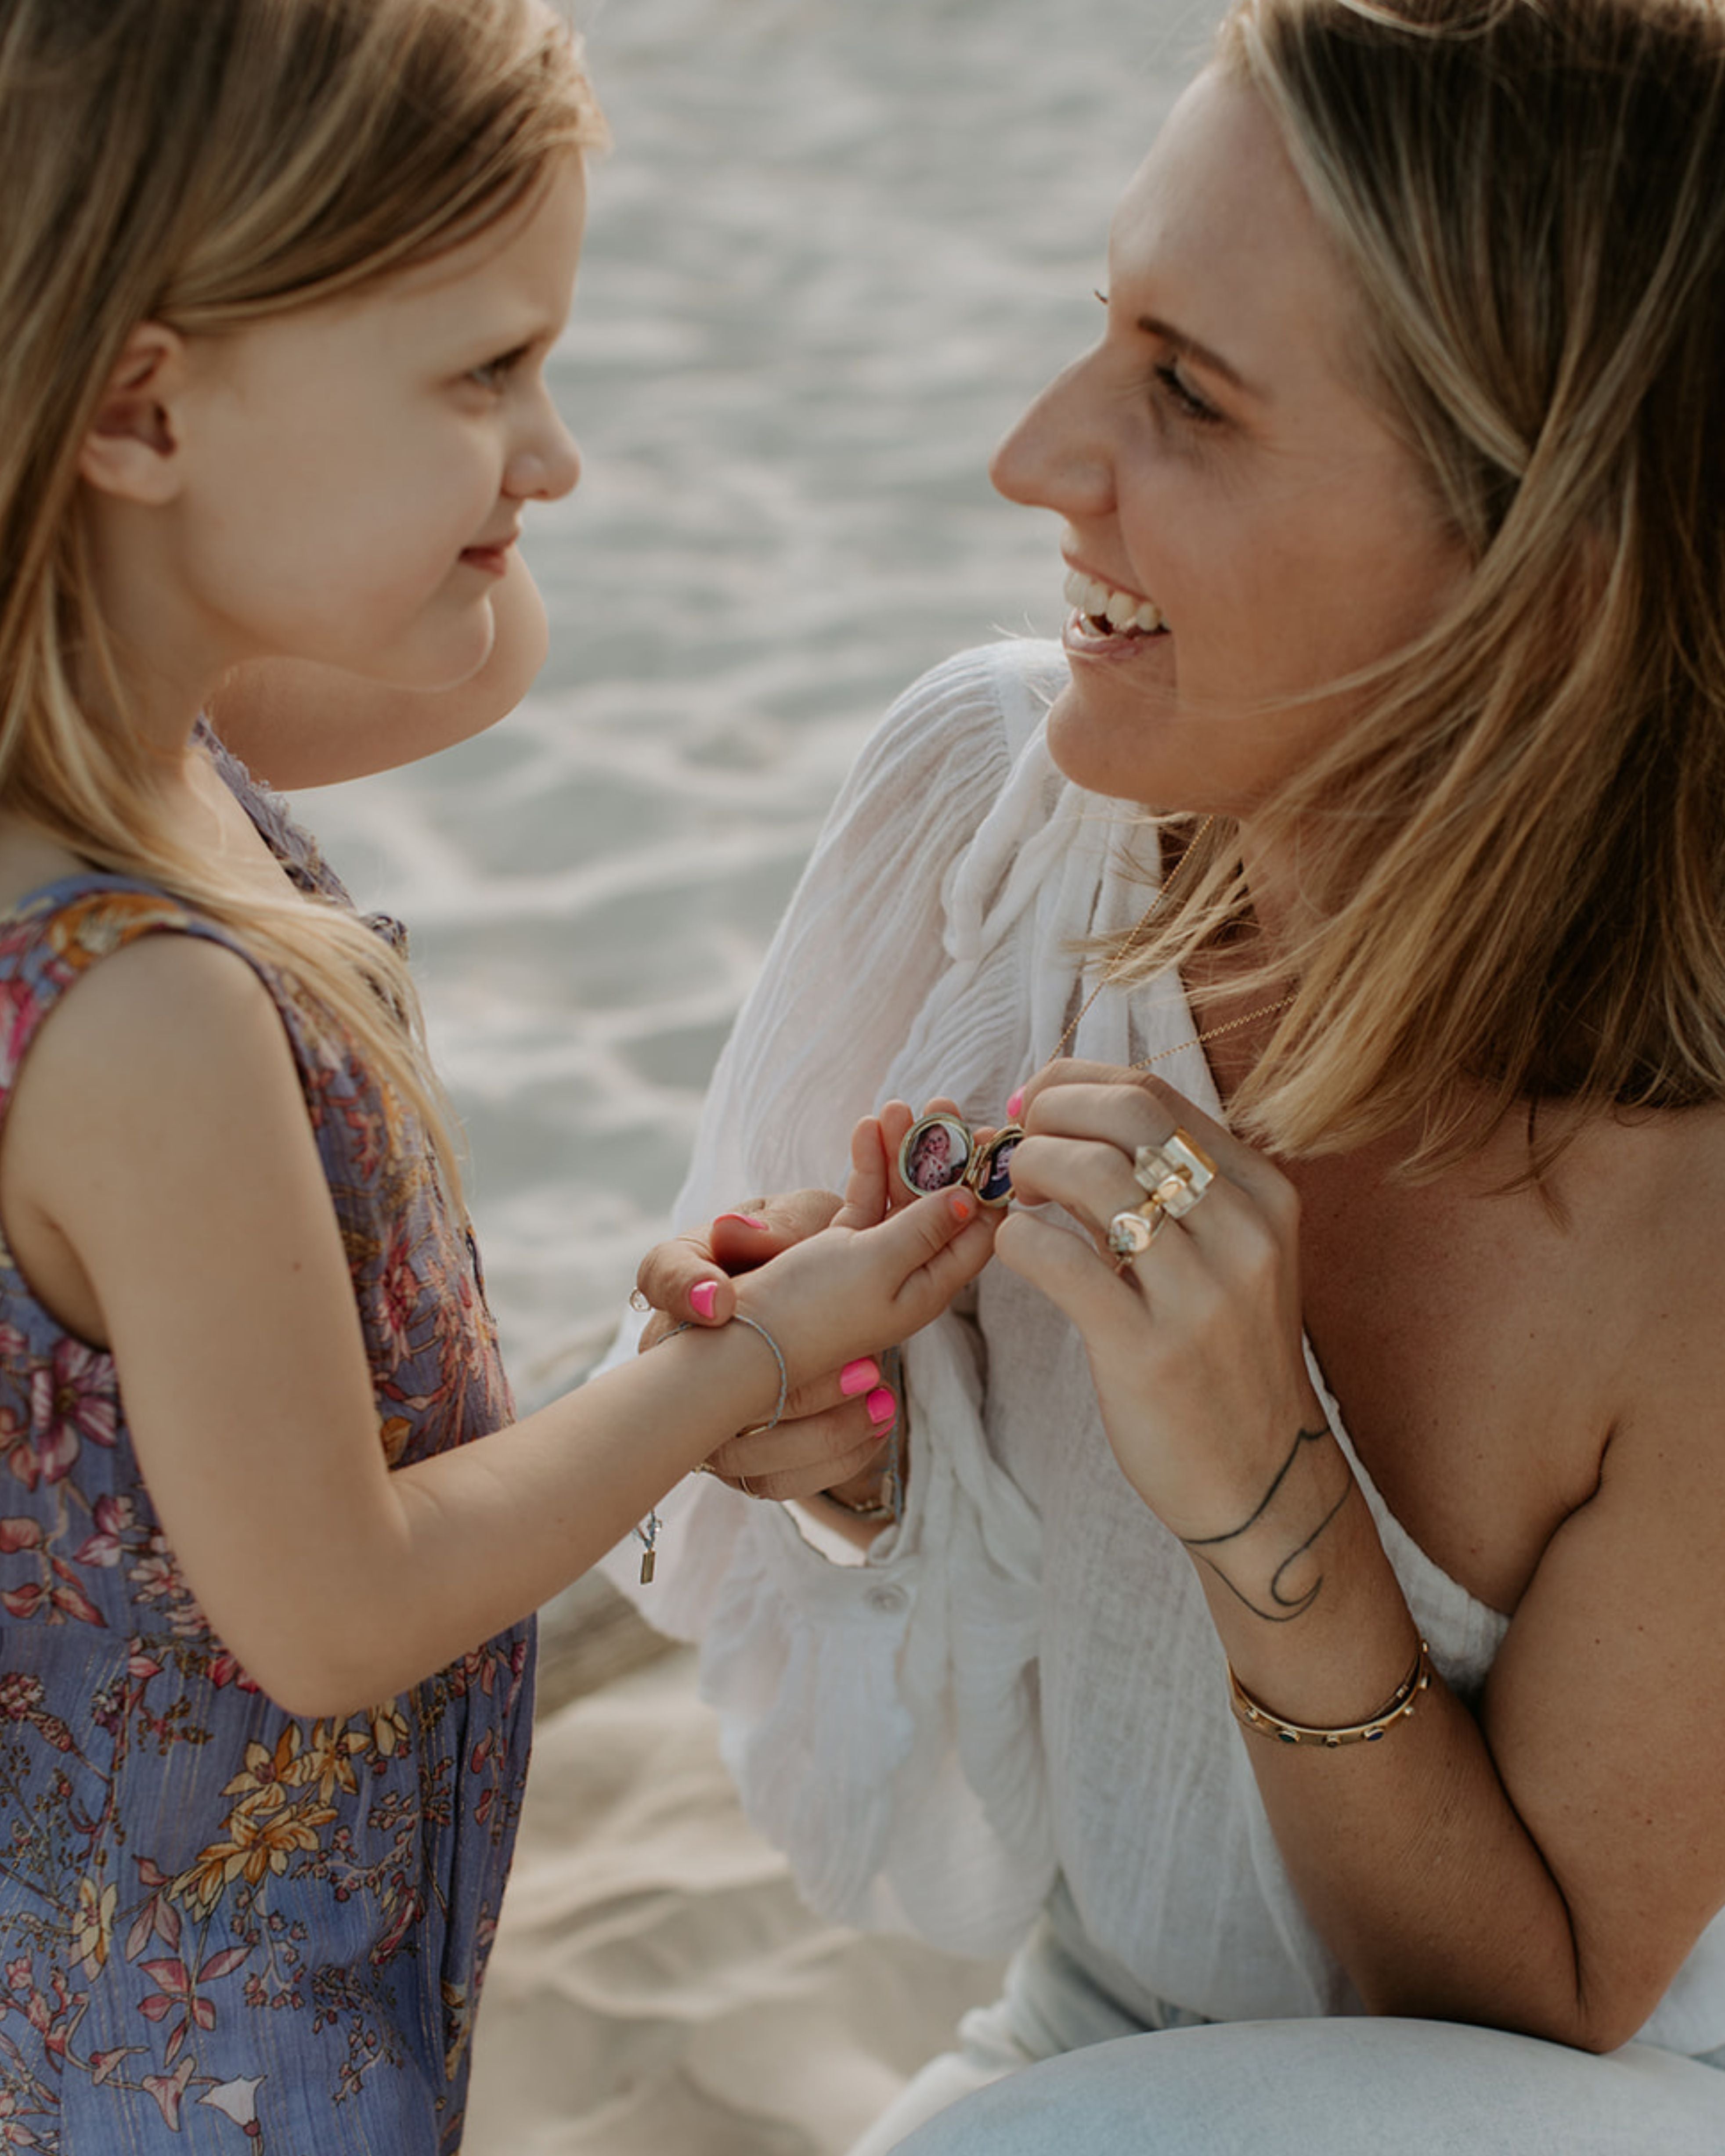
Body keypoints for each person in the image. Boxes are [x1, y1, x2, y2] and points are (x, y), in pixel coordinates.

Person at [616, 0, 1725, 2145]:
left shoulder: (1692, 1220)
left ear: (1544, 569)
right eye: (1096, 326)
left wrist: (1255, 1469)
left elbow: (1534, 2009)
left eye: (1185, 396)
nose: (1031, 456)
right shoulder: (991, 813)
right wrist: (853, 1439)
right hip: (1101, 2016)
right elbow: (998, 1708)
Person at [0, 3, 996, 2147]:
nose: (554, 457)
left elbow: (471, 651)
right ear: (143, 406)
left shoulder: (138, 735)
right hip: (206, 2056)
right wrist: (732, 1361)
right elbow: (339, 1607)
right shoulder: (135, 1000)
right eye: (481, 376)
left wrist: (439, 463)